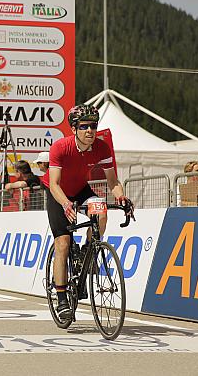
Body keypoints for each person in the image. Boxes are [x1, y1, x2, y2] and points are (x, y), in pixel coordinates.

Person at [43, 104, 133, 319]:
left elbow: (113, 181)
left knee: (101, 211)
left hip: (81, 190)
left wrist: (120, 196)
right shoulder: (60, 147)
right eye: (84, 127)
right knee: (63, 243)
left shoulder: (102, 148)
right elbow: (54, 184)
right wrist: (66, 204)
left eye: (93, 126)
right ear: (74, 129)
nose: (90, 131)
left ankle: (87, 251)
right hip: (58, 193)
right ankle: (62, 297)